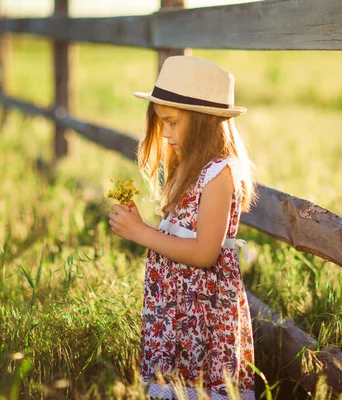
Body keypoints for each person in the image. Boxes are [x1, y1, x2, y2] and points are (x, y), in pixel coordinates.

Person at [108, 55, 257, 400]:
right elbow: (180, 232)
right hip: (177, 313)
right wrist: (141, 225)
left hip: (202, 313)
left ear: (204, 122)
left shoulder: (219, 174)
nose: (166, 133)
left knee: (200, 388)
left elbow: (206, 252)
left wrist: (142, 234)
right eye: (162, 123)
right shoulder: (188, 165)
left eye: (173, 122)